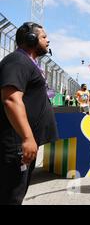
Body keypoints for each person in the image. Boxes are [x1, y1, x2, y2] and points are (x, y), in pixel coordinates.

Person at [0, 22, 57, 204]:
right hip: (16, 144)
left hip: (22, 143)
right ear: (31, 39)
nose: (48, 41)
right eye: (43, 37)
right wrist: (26, 137)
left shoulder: (27, 62)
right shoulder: (18, 60)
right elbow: (11, 98)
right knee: (11, 196)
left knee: (16, 193)